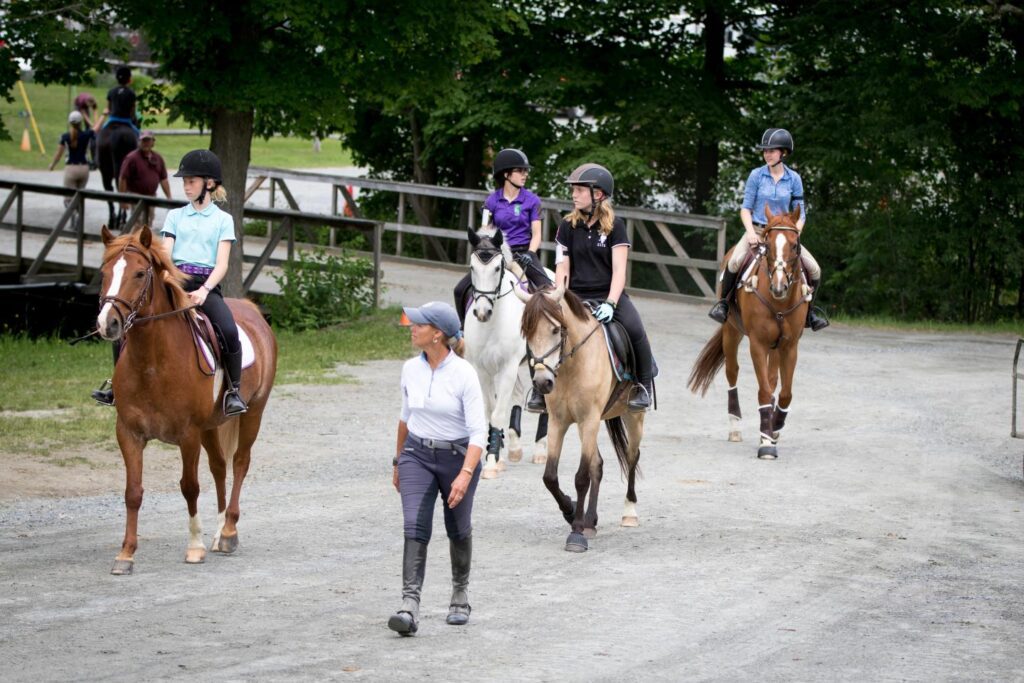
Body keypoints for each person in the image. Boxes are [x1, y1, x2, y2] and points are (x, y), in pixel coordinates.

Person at [90, 149, 247, 417]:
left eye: (191, 181)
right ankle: (117, 387)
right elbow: (167, 253)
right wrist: (166, 277)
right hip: (174, 280)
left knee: (229, 331)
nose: (186, 186)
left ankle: (233, 392)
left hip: (205, 286)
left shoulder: (224, 220)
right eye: (184, 181)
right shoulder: (176, 216)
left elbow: (222, 264)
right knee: (127, 325)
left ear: (209, 183)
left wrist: (204, 291)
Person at [390, 301, 486, 636]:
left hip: (458, 457)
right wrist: (398, 460)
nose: (412, 328)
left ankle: (460, 593)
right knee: (414, 523)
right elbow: (405, 418)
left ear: (438, 335)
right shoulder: (409, 369)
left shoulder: (465, 375)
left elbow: (479, 433)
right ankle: (409, 604)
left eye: (419, 324)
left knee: (457, 527)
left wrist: (465, 474)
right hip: (417, 453)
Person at [554, 163, 655, 411]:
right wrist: (559, 297)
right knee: (545, 325)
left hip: (608, 295)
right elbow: (562, 268)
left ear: (597, 195)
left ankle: (643, 386)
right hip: (575, 296)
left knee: (635, 328)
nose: (574, 194)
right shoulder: (566, 226)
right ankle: (540, 389)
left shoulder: (615, 226)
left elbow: (620, 271)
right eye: (573, 190)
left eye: (579, 190)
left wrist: (611, 303)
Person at [708, 128, 829, 331]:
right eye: (765, 151)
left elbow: (802, 213)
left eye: (771, 151)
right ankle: (723, 305)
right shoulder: (756, 175)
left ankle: (810, 313)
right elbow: (746, 209)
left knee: (814, 269)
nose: (767, 154)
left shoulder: (794, 179)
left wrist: (794, 234)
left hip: (785, 234)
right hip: (757, 229)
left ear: (783, 153)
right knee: (734, 262)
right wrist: (751, 233)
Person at [453, 147, 552, 327]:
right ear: (506, 174)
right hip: (497, 253)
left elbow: (537, 234)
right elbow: (484, 230)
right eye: (520, 170)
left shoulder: (532, 201)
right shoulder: (491, 201)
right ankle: (462, 330)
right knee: (459, 290)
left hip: (524, 253)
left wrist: (530, 253)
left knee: (548, 290)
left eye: (526, 170)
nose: (525, 174)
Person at [118, 130, 171, 227]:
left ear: (153, 142)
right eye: (143, 141)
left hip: (151, 197)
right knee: (138, 224)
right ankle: (132, 241)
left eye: (148, 140)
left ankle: (140, 241)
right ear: (139, 142)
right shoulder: (131, 158)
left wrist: (169, 197)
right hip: (136, 196)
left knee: (148, 223)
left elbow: (163, 179)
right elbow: (122, 178)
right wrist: (122, 200)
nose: (145, 143)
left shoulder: (158, 158)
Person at [48, 111, 95, 203]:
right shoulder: (87, 135)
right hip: (84, 169)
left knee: (68, 199)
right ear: (81, 122)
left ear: (70, 123)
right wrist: (102, 115)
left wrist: (52, 165)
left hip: (71, 169)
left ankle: (73, 215)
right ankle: (79, 215)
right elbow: (95, 128)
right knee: (80, 197)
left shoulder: (65, 137)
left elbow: (59, 154)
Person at [95, 65, 140, 136]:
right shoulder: (131, 92)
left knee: (99, 134)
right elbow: (132, 111)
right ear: (129, 79)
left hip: (113, 119)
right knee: (137, 134)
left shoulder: (111, 91)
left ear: (117, 79)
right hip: (126, 120)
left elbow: (108, 109)